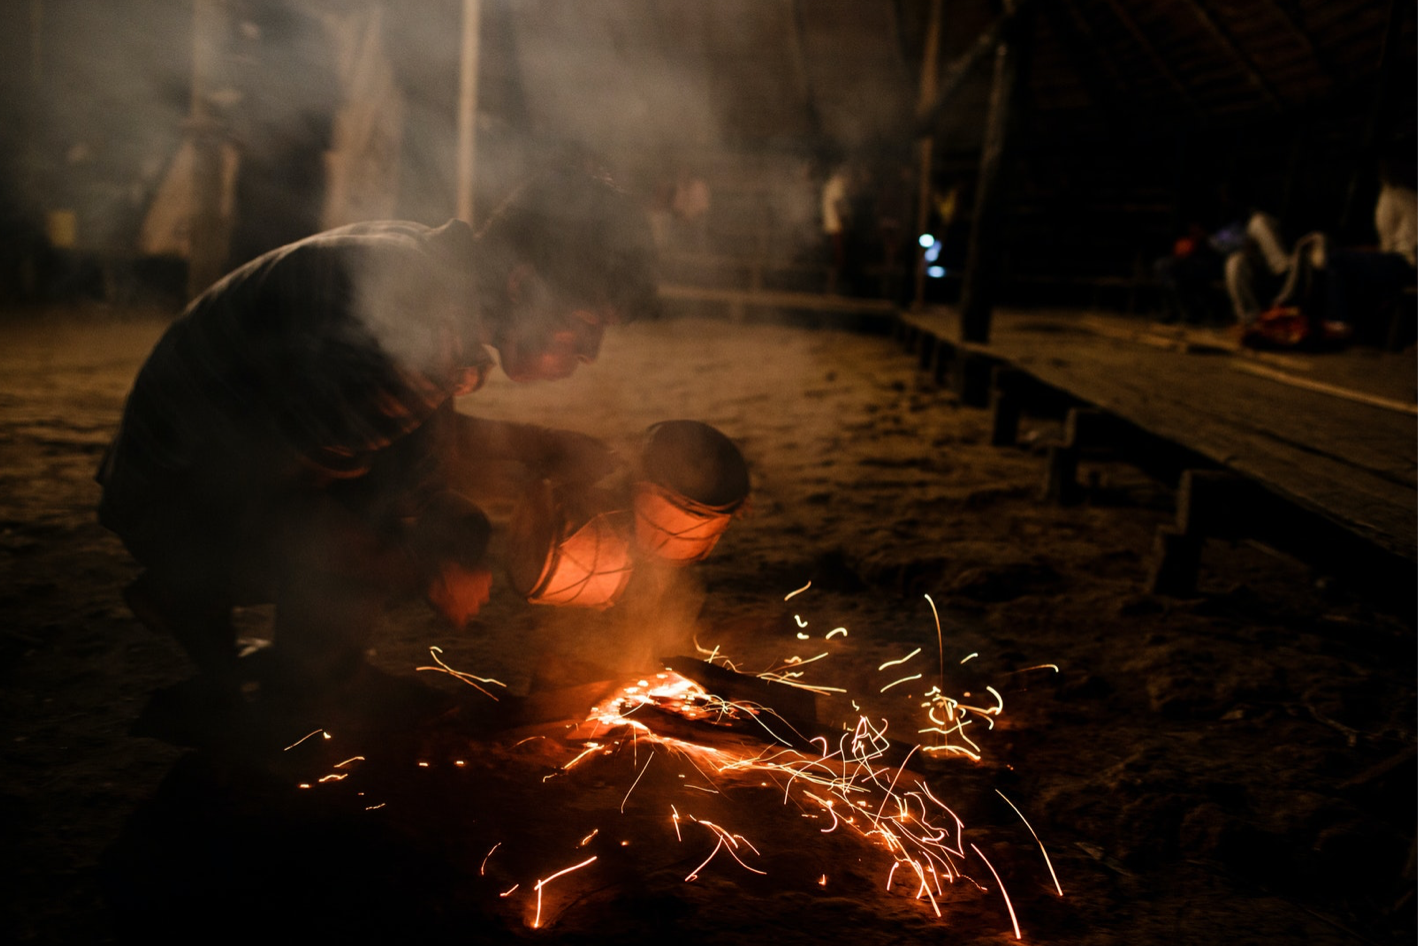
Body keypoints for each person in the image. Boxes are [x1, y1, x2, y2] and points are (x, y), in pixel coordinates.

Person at [97, 158, 659, 695]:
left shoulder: (433, 271)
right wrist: (426, 573)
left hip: (190, 465)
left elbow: (402, 429)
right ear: (522, 282)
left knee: (427, 492)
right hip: (174, 497)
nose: (589, 352)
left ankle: (238, 642)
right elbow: (289, 507)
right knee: (428, 528)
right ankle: (302, 686)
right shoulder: (418, 333)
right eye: (583, 325)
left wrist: (546, 448)